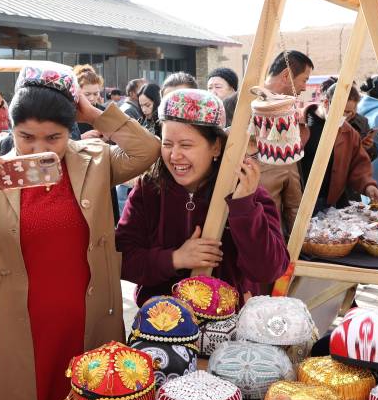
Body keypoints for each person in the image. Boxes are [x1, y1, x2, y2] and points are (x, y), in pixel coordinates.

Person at [0, 64, 159, 400]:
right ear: (12, 129)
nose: (39, 148)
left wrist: (94, 112)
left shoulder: (95, 161)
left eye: (54, 137)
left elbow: (147, 150)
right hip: (17, 326)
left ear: (71, 129)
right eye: (26, 137)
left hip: (86, 320)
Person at [117, 88, 289, 306]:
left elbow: (269, 269)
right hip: (160, 318)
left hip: (229, 319)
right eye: (167, 144)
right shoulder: (148, 190)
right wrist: (175, 258)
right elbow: (122, 260)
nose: (174, 155)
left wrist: (244, 207)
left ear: (216, 146)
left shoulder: (245, 191)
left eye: (186, 145)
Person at [300, 83, 378, 211]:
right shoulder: (299, 124)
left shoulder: (349, 133)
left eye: (351, 113)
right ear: (326, 103)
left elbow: (358, 163)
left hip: (331, 203)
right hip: (300, 201)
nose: (346, 117)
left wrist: (368, 185)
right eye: (344, 112)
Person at [257, 50, 314, 230]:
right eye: (304, 80)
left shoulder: (290, 118)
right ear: (286, 75)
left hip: (267, 232)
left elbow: (293, 200)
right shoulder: (236, 108)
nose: (305, 88)